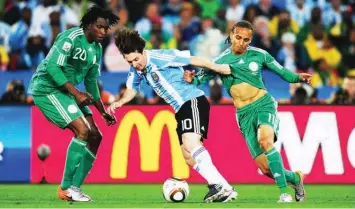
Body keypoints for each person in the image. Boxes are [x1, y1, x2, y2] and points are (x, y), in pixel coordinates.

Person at [184, 21, 312, 203]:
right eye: (238, 38)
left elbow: (283, 72)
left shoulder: (259, 55)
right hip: (243, 114)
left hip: (263, 104)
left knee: (265, 141)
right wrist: (191, 79)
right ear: (231, 35)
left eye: (246, 40)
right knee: (266, 169)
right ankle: (296, 179)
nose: (242, 43)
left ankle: (284, 194)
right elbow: (200, 79)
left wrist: (299, 77)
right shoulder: (220, 61)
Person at [107, 28, 236, 203]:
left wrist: (217, 67)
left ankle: (219, 186)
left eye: (136, 59)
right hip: (180, 109)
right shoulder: (137, 70)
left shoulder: (160, 57)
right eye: (130, 62)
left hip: (192, 101)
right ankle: (224, 187)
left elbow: (192, 59)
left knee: (191, 143)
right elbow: (131, 89)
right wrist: (120, 102)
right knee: (188, 156)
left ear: (142, 52)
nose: (135, 64)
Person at [28, 6, 119, 202]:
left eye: (106, 28)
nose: (103, 32)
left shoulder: (97, 48)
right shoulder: (71, 38)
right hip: (47, 89)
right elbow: (52, 66)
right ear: (88, 24)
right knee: (82, 131)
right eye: (99, 27)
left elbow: (91, 82)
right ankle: (65, 188)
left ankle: (75, 188)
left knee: (95, 136)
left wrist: (102, 111)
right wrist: (76, 93)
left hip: (67, 93)